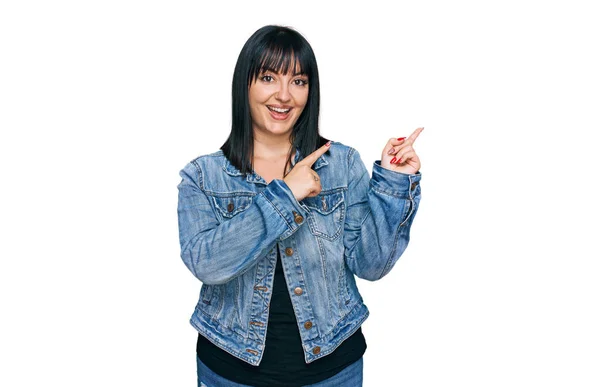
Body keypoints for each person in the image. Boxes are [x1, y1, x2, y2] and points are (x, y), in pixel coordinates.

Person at [177, 25, 423, 387]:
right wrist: (285, 195)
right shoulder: (204, 176)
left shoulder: (341, 165)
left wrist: (393, 182)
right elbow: (207, 265)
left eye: (299, 81)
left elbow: (371, 266)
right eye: (267, 77)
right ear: (244, 84)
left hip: (332, 370)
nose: (283, 95)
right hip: (230, 371)